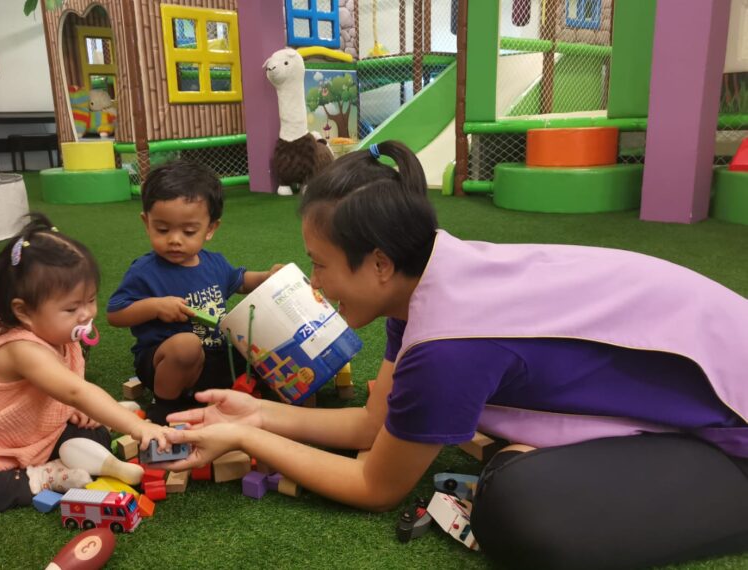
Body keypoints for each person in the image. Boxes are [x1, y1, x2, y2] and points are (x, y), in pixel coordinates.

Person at [161, 141, 748, 569]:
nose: (314, 283)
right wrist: (258, 415)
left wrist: (249, 441)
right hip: (717, 363)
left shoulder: (446, 345)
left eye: (319, 263)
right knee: (507, 476)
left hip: (735, 432)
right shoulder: (428, 276)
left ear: (380, 264)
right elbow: (374, 425)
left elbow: (375, 484)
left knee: (519, 513)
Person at [0, 214, 176, 523]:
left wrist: (74, 412)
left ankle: (77, 448)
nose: (86, 314)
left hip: (39, 434)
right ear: (23, 311)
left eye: (90, 300)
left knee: (94, 432)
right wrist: (139, 427)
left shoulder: (61, 334)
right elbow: (73, 390)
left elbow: (64, 392)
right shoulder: (20, 349)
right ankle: (43, 477)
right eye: (71, 308)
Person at [107, 159, 281, 424]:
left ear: (210, 229)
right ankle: (165, 406)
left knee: (255, 338)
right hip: (164, 364)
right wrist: (155, 306)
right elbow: (115, 314)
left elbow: (241, 280)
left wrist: (267, 277)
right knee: (186, 346)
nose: (174, 239)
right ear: (147, 223)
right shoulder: (144, 270)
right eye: (162, 229)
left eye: (189, 231)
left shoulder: (215, 263)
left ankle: (261, 390)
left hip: (214, 358)